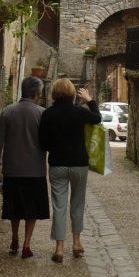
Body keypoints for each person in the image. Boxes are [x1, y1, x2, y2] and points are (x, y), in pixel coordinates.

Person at [38, 78, 102, 263]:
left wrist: (56, 148)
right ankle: (76, 243)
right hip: (79, 163)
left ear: (54, 93)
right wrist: (89, 100)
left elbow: (43, 143)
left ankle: (59, 248)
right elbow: (97, 118)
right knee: (77, 203)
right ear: (72, 93)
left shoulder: (48, 114)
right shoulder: (80, 112)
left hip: (57, 163)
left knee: (59, 205)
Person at [0, 75, 49, 259]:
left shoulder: (7, 112)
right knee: (31, 209)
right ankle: (26, 244)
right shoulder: (42, 114)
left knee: (14, 206)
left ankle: (14, 237)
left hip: (12, 169)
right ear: (37, 94)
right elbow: (46, 142)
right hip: (35, 170)